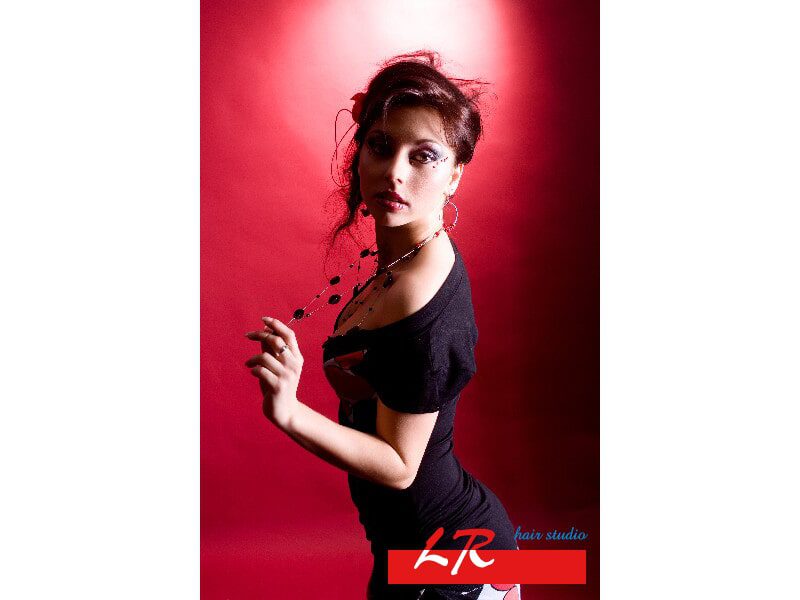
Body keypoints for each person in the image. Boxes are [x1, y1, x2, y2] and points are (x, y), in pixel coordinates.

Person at [244, 51, 521, 599]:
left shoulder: (421, 299)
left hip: (450, 565)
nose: (394, 171)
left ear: (455, 176)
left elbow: (399, 466)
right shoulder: (406, 257)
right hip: (407, 551)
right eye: (380, 145)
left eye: (424, 156)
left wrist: (289, 411)